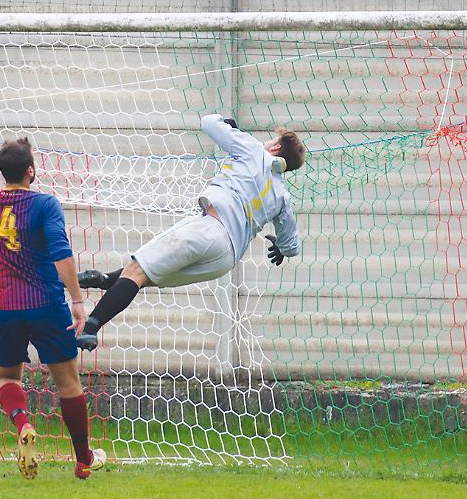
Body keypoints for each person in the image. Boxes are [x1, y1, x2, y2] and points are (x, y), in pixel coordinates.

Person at [0, 138, 106, 480]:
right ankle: (84, 459)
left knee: (7, 378)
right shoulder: (46, 204)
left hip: (5, 309)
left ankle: (23, 423)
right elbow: (61, 253)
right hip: (47, 306)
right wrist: (77, 301)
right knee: (68, 384)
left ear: (2, 172)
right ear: (31, 171)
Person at [74, 114, 305, 351]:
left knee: (137, 272)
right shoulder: (281, 196)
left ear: (275, 147)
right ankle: (104, 280)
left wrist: (228, 124)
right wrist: (279, 246)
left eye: (271, 141)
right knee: (141, 277)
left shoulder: (254, 150)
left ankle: (90, 328)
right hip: (225, 259)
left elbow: (209, 122)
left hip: (210, 229)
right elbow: (291, 245)